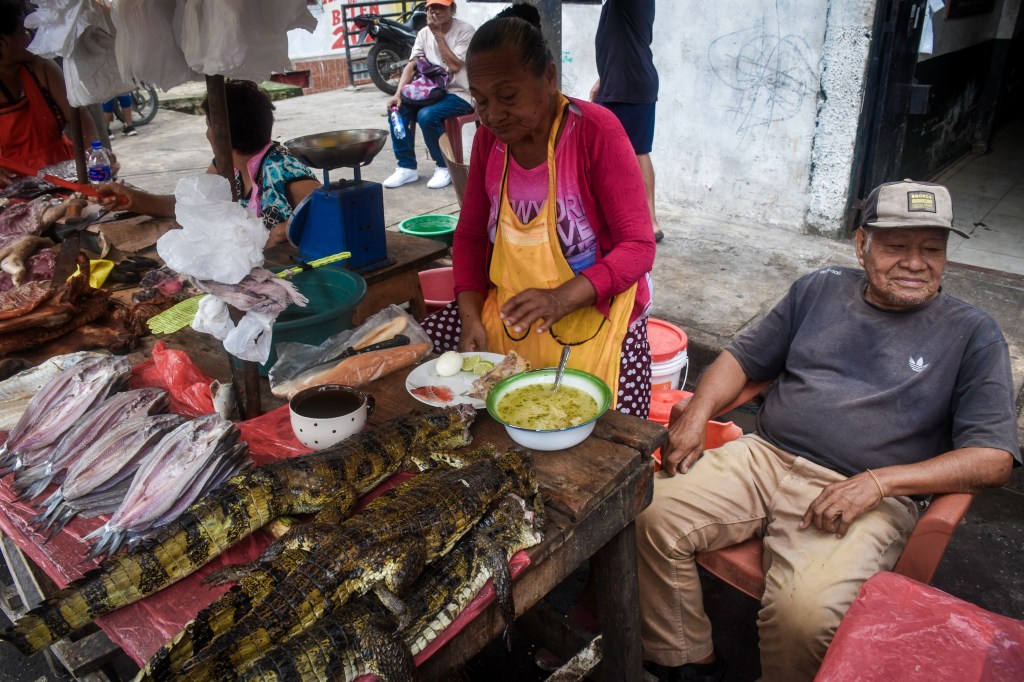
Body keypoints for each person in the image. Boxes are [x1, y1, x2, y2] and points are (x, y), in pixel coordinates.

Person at [637, 180, 1020, 682]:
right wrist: (696, 413)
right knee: (647, 514)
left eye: (932, 249)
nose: (915, 262)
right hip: (764, 457)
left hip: (867, 490)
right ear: (862, 245)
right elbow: (742, 357)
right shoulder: (818, 288)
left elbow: (993, 459)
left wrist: (880, 483)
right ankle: (686, 661)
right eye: (897, 246)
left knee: (806, 615)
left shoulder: (973, 333)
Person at [420, 13, 657, 418]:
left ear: (549, 77)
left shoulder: (595, 131)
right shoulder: (488, 143)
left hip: (594, 327)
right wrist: (470, 316)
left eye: (507, 96)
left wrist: (562, 297)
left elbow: (638, 246)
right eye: (481, 100)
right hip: (509, 319)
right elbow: (472, 237)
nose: (492, 115)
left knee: (603, 452)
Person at [96, 80, 319, 247]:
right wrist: (134, 200)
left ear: (224, 134)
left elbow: (333, 212)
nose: (207, 134)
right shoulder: (226, 166)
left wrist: (285, 230)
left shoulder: (284, 170)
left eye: (209, 126)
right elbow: (191, 205)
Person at [0, 0, 97, 184]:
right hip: (13, 186)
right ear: (3, 42)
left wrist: (94, 151)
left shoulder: (41, 67)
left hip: (64, 173)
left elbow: (79, 116)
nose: (30, 36)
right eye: (23, 32)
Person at [381, 0, 474, 191]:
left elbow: (456, 67)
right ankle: (406, 166)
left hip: (460, 93)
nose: (436, 11)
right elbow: (412, 64)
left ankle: (444, 166)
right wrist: (398, 94)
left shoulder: (466, 30)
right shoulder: (423, 33)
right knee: (396, 110)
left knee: (426, 115)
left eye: (441, 7)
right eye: (432, 8)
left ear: (452, 9)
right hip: (430, 91)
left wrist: (438, 35)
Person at [590, 0, 661, 242]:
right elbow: (617, 42)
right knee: (606, 151)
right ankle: (615, 215)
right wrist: (603, 79)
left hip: (630, 85)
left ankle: (650, 221)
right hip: (618, 83)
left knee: (638, 151)